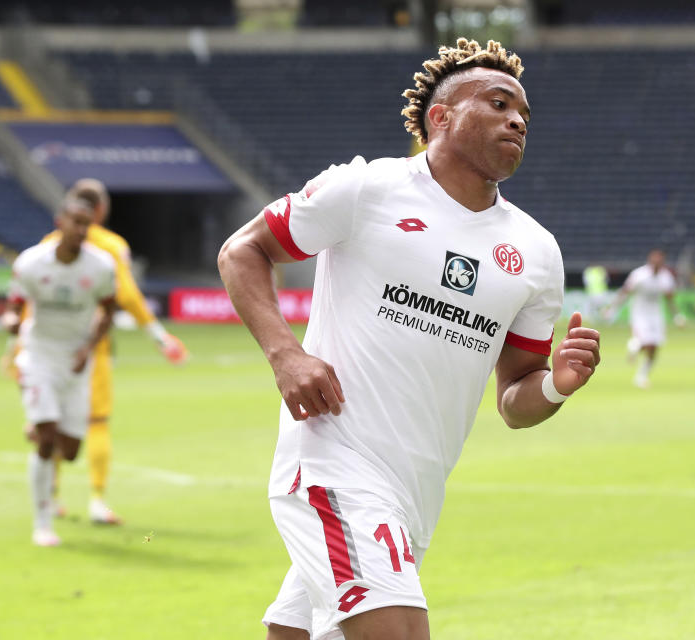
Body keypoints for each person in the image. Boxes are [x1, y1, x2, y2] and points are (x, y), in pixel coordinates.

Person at [217, 38, 601, 640]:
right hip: (333, 462)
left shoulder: (535, 251)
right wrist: (286, 354)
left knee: (295, 632)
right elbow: (244, 251)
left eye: (524, 112)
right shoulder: (367, 188)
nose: (518, 119)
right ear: (440, 117)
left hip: (416, 492)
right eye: (498, 103)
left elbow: (514, 399)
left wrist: (556, 384)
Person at [23, 179, 188, 524]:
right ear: (101, 210)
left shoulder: (47, 245)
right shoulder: (111, 247)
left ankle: (51, 498)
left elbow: (28, 300)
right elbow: (127, 296)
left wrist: (21, 354)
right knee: (95, 422)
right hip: (88, 348)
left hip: (41, 348)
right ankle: (97, 500)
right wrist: (160, 337)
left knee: (50, 423)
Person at [2, 196, 117, 546]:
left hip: (77, 359)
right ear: (60, 221)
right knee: (48, 436)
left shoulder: (101, 266)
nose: (81, 230)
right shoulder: (32, 263)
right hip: (39, 354)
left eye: (87, 224)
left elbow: (109, 312)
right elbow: (14, 305)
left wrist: (89, 348)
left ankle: (39, 427)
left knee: (68, 450)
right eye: (75, 222)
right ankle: (42, 523)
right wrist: (9, 321)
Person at [604, 248, 684, 388]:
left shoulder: (666, 277)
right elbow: (625, 292)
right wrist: (612, 309)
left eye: (660, 259)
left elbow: (670, 299)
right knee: (645, 342)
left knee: (654, 347)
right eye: (655, 259)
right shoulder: (639, 275)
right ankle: (634, 345)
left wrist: (677, 316)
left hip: (656, 315)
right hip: (639, 314)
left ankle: (641, 375)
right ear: (650, 259)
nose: (657, 262)